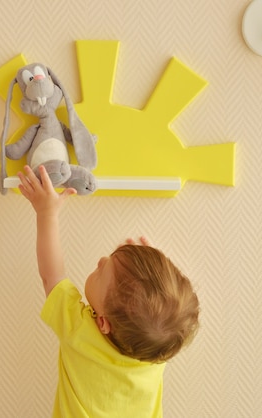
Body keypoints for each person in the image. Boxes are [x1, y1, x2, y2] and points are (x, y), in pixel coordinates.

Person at [16, 165, 200, 418]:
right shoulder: (157, 351)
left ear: (102, 322)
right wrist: (149, 270)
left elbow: (52, 276)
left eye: (102, 272)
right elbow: (165, 312)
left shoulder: (79, 331)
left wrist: (47, 213)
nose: (101, 260)